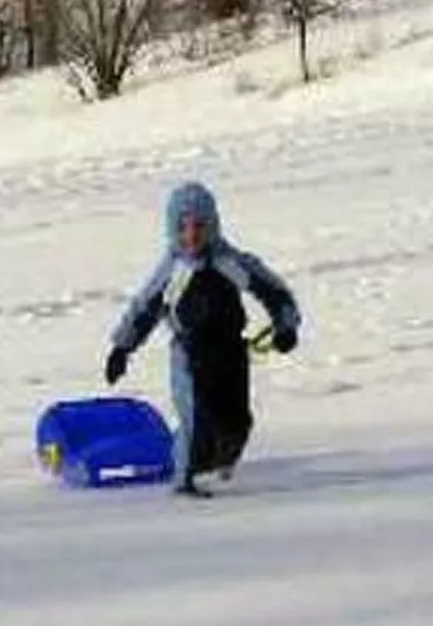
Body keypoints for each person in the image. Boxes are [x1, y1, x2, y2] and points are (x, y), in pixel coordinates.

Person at [104, 181, 300, 496]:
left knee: (236, 423)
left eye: (199, 226)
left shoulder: (229, 262)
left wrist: (285, 327)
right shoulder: (173, 270)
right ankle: (184, 480)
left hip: (230, 352)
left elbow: (274, 292)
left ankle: (218, 465)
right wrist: (122, 348)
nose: (191, 235)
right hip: (190, 355)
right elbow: (144, 309)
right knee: (197, 418)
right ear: (172, 230)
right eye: (183, 228)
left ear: (212, 225)